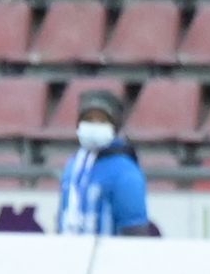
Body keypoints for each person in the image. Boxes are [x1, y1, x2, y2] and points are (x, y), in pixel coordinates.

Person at [57, 89, 159, 237]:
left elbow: (135, 230)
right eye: (88, 119)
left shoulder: (125, 171)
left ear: (114, 126)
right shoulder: (74, 165)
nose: (94, 125)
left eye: (102, 121)